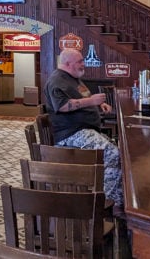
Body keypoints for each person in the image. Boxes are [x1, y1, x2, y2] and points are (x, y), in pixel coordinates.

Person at [43, 48, 124, 212]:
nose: (83, 64)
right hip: (71, 134)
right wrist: (91, 101)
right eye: (79, 61)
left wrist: (99, 103)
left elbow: (84, 97)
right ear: (68, 63)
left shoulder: (75, 78)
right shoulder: (57, 81)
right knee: (113, 154)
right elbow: (63, 106)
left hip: (84, 129)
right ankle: (103, 206)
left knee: (122, 153)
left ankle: (117, 201)